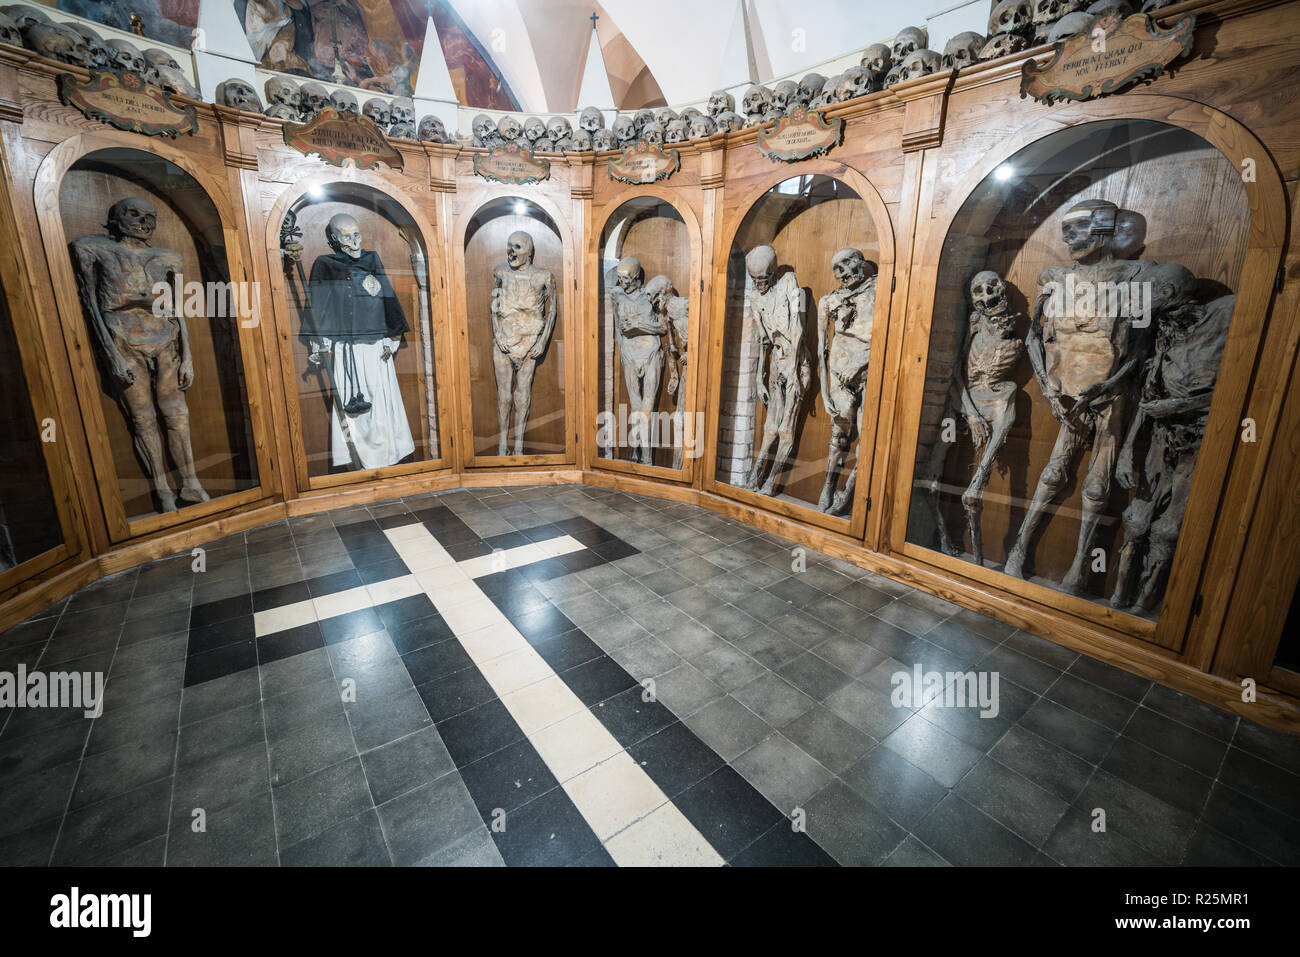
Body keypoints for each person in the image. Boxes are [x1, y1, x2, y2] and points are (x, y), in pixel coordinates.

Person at [305, 213, 414, 469]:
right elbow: (321, 306)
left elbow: (387, 298)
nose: (354, 242)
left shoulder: (371, 259)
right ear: (334, 238)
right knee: (355, 407)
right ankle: (359, 462)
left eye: (357, 234)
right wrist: (320, 343)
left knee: (381, 403)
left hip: (377, 347)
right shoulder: (326, 264)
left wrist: (391, 337)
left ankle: (387, 457)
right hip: (348, 349)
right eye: (346, 236)